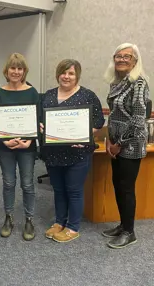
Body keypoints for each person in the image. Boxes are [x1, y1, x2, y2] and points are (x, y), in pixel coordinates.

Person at [41, 59, 104, 243]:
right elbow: (40, 119)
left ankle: (73, 227)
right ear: (58, 74)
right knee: (59, 190)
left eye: (71, 73)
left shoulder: (87, 95)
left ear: (77, 76)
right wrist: (42, 126)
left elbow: (99, 121)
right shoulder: (49, 95)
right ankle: (60, 222)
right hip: (53, 152)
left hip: (78, 152)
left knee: (74, 190)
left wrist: (83, 135)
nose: (66, 76)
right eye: (63, 72)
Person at [102, 43, 149, 249]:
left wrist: (119, 144)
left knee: (127, 188)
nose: (121, 59)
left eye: (126, 56)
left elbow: (139, 119)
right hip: (115, 144)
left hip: (131, 145)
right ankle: (123, 225)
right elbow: (114, 114)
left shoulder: (139, 83)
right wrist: (109, 140)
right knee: (118, 186)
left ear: (134, 61)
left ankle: (130, 232)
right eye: (118, 56)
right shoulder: (116, 82)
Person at [0, 53, 39, 240]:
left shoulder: (32, 92)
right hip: (6, 147)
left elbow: (38, 119)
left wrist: (30, 140)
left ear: (24, 71)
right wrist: (2, 140)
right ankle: (9, 217)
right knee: (9, 182)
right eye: (13, 68)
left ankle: (29, 219)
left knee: (27, 184)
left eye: (20, 68)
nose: (16, 72)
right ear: (6, 71)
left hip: (27, 146)